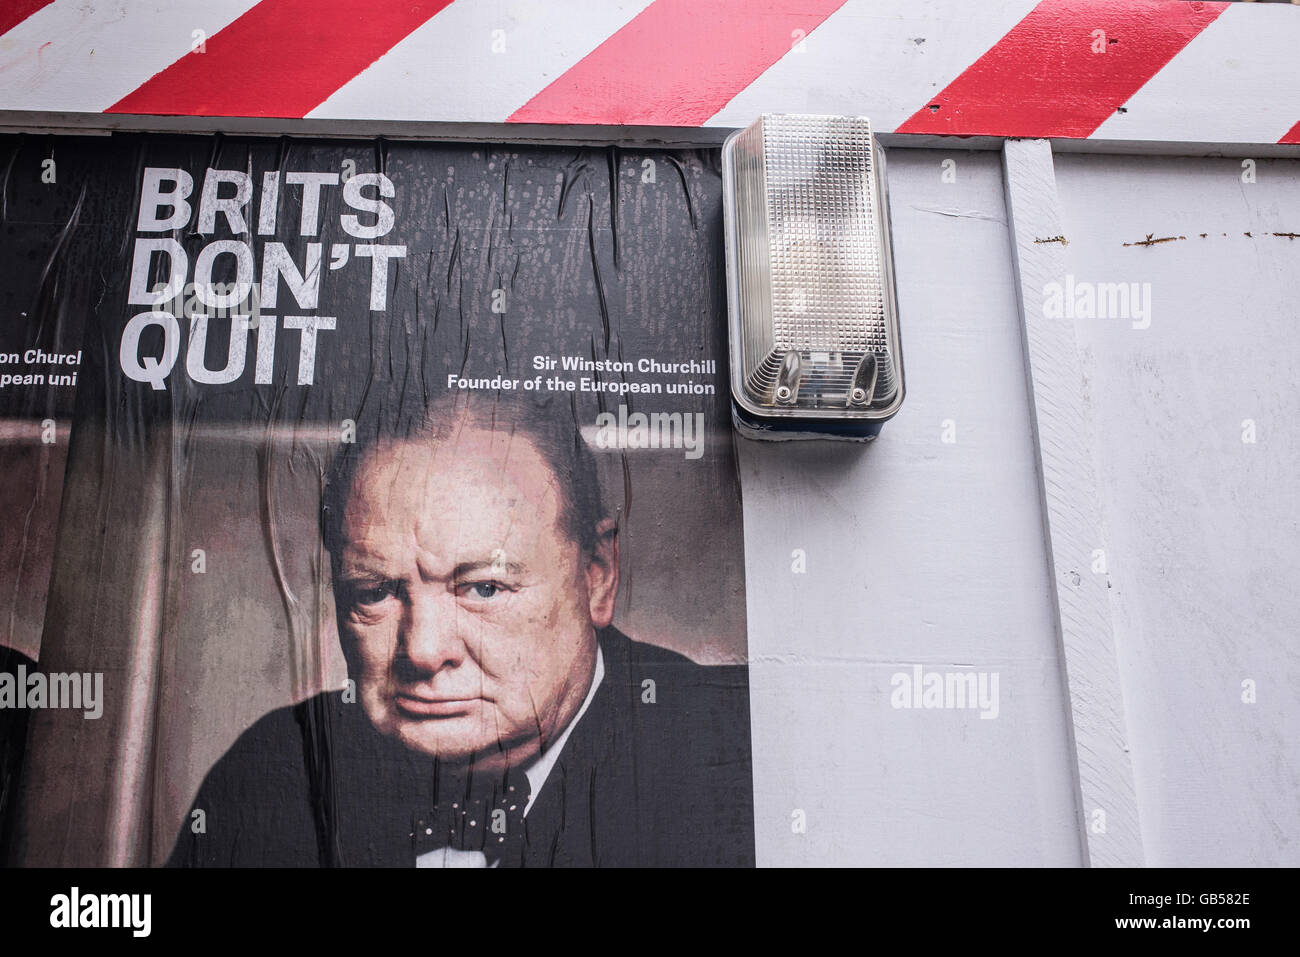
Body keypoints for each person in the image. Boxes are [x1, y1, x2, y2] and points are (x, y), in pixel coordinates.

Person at [167, 390, 755, 867]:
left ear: (596, 576)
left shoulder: (743, 755)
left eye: (483, 588)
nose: (423, 651)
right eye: (375, 592)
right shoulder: (275, 770)